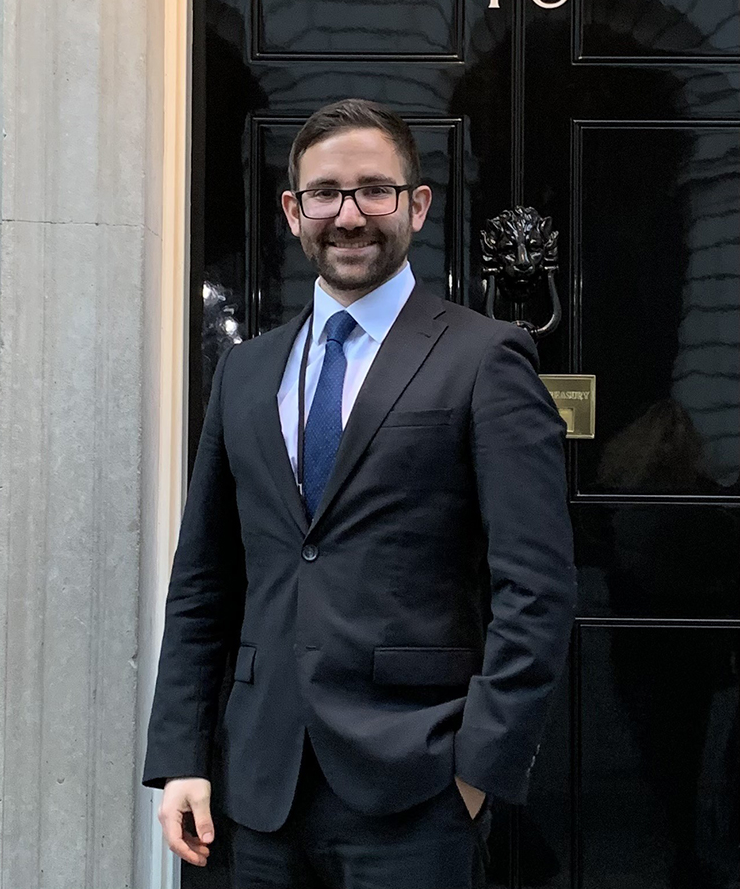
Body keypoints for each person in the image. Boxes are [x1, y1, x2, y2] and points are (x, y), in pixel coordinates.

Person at [143, 98, 577, 888]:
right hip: (256, 785)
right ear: (291, 210)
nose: (349, 215)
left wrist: (476, 771)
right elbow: (204, 580)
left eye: (374, 190)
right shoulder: (246, 372)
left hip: (415, 786)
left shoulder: (485, 359)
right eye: (325, 193)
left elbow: (536, 588)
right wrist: (181, 756)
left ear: (416, 205)